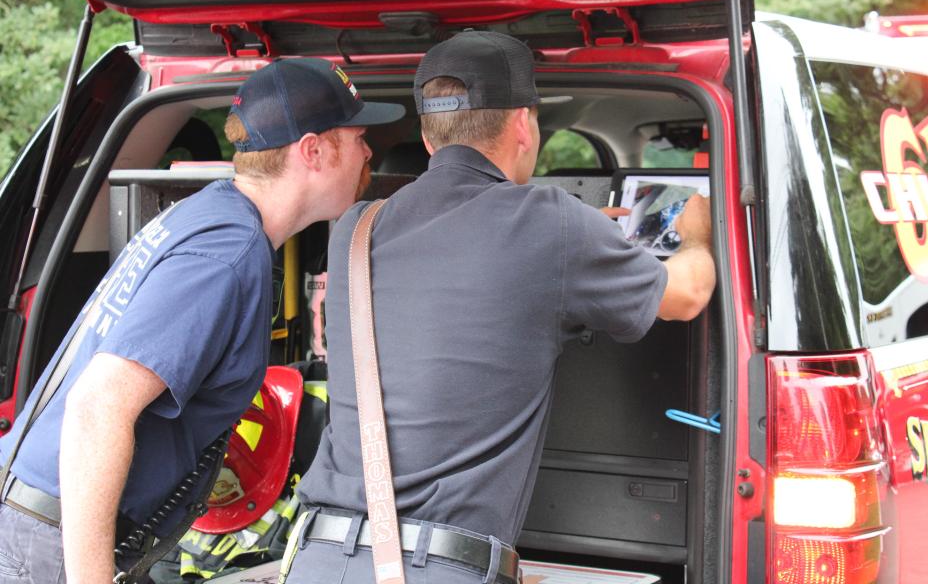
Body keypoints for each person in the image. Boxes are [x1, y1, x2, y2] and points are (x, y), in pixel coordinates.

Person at [282, 32, 715, 583]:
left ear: (427, 134)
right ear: (523, 124)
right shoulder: (552, 225)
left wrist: (582, 244)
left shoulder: (355, 228)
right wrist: (698, 236)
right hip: (435, 570)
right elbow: (688, 295)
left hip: (316, 557)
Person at [0, 58, 405, 584]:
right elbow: (98, 406)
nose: (370, 151)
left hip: (53, 530)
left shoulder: (208, 217)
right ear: (314, 150)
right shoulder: (224, 254)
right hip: (57, 547)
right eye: (358, 137)